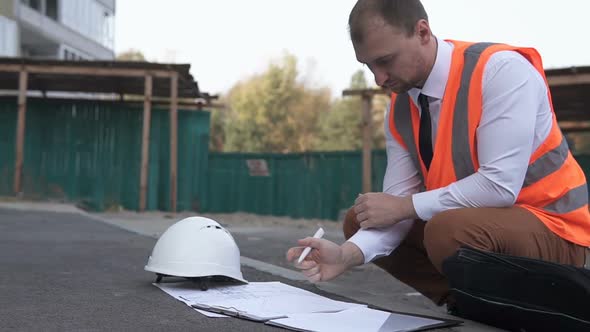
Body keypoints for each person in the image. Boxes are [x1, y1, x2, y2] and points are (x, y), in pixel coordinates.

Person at [286, 0, 590, 308]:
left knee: (446, 230)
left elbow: (499, 187)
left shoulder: (500, 71)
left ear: (422, 32)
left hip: (558, 230)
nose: (379, 79)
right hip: (480, 225)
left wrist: (404, 206)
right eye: (369, 66)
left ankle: (513, 307)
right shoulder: (401, 107)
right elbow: (395, 205)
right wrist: (345, 255)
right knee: (362, 219)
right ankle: (467, 304)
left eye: (386, 61)